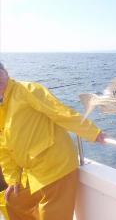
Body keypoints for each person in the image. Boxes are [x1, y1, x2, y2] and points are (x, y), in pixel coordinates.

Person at [0, 62, 106, 220]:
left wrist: (93, 132)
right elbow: (4, 149)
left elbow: (61, 113)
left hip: (56, 166)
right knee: (11, 202)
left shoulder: (28, 90)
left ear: (6, 72)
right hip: (32, 172)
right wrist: (13, 178)